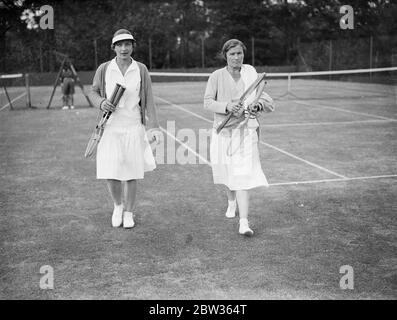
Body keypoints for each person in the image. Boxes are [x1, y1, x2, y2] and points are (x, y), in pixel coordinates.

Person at [89, 29, 162, 229]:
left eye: (127, 44)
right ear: (113, 47)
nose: (124, 48)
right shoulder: (104, 68)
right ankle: (118, 206)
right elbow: (93, 92)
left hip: (133, 126)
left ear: (132, 46)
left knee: (131, 172)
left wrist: (154, 127)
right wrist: (102, 102)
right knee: (110, 171)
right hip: (110, 127)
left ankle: (129, 213)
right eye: (120, 45)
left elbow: (150, 99)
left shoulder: (141, 69)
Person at [204, 39, 275, 236]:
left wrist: (257, 106)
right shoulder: (216, 76)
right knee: (228, 173)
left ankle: (244, 222)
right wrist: (227, 106)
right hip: (223, 132)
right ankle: (231, 201)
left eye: (240, 53)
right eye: (232, 54)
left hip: (246, 133)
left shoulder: (251, 73)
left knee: (242, 175)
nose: (237, 57)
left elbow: (266, 100)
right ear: (225, 55)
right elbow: (208, 102)